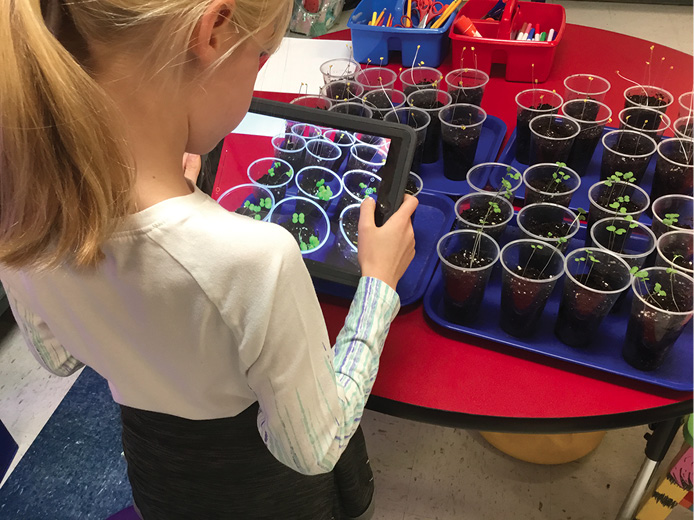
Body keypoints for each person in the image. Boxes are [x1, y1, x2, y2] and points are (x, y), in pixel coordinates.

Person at [0, 1, 418, 519]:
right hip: (263, 494)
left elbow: (59, 357)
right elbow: (315, 446)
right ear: (214, 31)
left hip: (158, 476)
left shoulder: (18, 221)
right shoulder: (257, 260)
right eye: (262, 56)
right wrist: (378, 285)